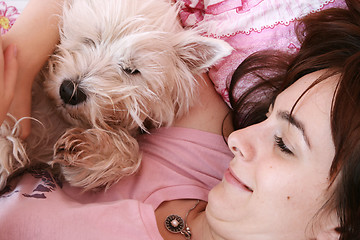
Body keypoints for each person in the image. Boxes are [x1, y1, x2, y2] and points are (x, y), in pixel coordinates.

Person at [1, 1, 360, 240]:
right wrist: (20, 57)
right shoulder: (208, 152)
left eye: (285, 144)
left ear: (340, 224)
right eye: (266, 114)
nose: (239, 137)